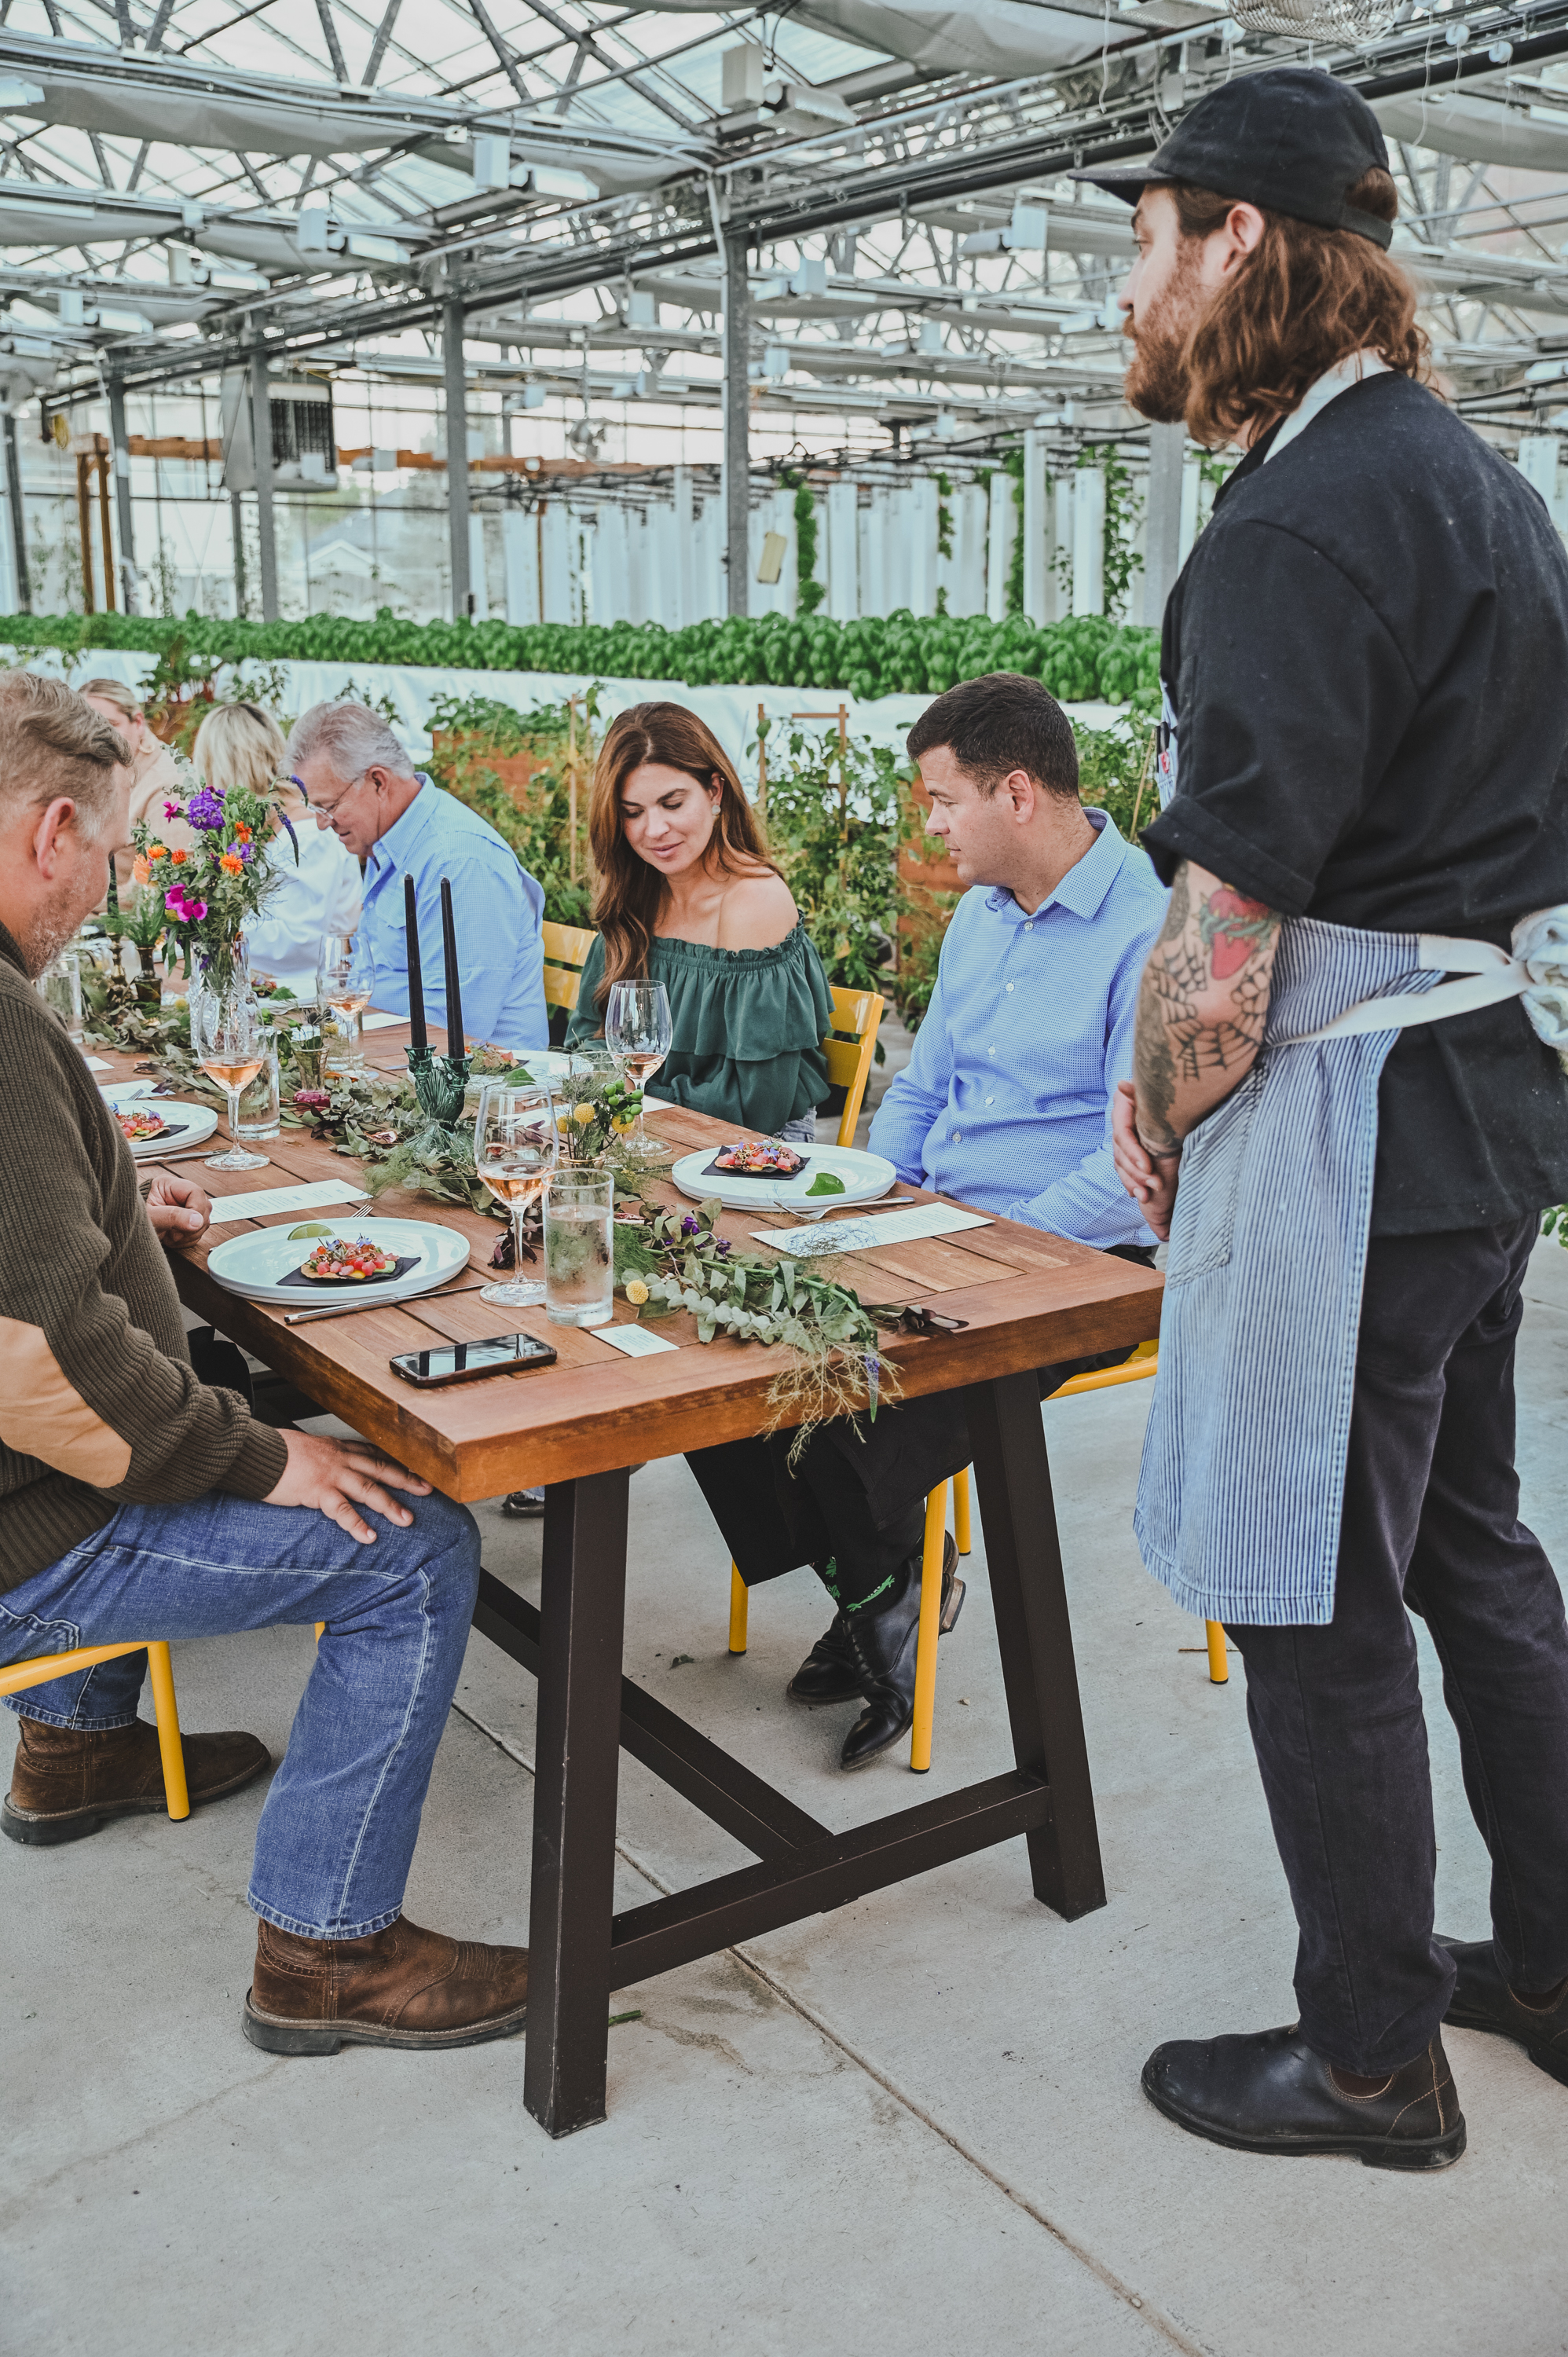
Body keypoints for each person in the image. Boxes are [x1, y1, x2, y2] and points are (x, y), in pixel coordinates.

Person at [1090, 66, 1568, 2168]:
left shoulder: (1290, 523)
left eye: (1146, 238)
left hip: (1358, 1126)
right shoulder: (1471, 483)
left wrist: (1163, 1110)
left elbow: (1230, 924)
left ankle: (1371, 2057)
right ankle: (1547, 1963)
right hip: (1484, 1108)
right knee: (1472, 1546)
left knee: (1307, 1586)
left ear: (1243, 246)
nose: (1130, 286)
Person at [0, 670, 531, 2054]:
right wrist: (264, 1457)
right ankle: (327, 1949)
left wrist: (119, 1211)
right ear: (53, 829)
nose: (112, 886)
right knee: (411, 1543)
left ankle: (74, 1750)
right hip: (26, 1533)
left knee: (218, 1391)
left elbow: (29, 1262)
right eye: (110, 852)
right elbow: (48, 1373)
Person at [687, 673, 1168, 1769]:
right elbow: (918, 1090)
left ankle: (879, 1595)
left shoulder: (1146, 931)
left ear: (1014, 795)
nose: (932, 824)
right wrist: (858, 1202)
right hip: (934, 1225)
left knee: (854, 1409)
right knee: (721, 1348)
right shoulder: (978, 920)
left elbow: (1135, 1158)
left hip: (1080, 1259)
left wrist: (988, 1246)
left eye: (941, 801)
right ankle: (880, 1580)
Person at [566, 701, 833, 1141]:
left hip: (749, 1146)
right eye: (632, 812)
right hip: (640, 1127)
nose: (654, 829)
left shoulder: (752, 903)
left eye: (672, 803)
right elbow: (587, 1039)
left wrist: (628, 1096)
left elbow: (755, 1105)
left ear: (715, 791)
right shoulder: (636, 896)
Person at [288, 699, 547, 1050]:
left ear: (378, 781)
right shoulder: (391, 840)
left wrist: (354, 993)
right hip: (403, 1061)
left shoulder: (459, 861)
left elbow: (458, 1023)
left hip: (485, 1088)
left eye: (329, 806)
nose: (321, 823)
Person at [191, 700, 361, 995]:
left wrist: (210, 918)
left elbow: (301, 941)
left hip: (308, 998)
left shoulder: (308, 835)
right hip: (267, 990)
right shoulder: (255, 831)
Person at [77, 676, 193, 886]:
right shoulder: (89, 767)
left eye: (109, 725)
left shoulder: (170, 784)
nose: (94, 736)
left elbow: (158, 887)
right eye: (84, 727)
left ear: (138, 722)